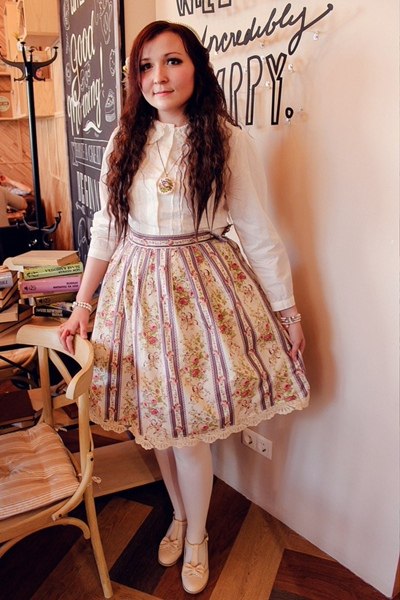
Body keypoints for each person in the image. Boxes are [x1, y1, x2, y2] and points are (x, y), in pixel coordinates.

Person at [59, 20, 310, 595]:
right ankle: (178, 514)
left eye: (172, 61)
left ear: (195, 67)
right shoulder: (125, 139)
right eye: (146, 66)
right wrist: (81, 304)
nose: (159, 77)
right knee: (159, 426)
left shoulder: (226, 139)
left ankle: (197, 535)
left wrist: (287, 311)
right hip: (136, 296)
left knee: (188, 430)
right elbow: (106, 229)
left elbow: (257, 231)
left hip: (201, 293)